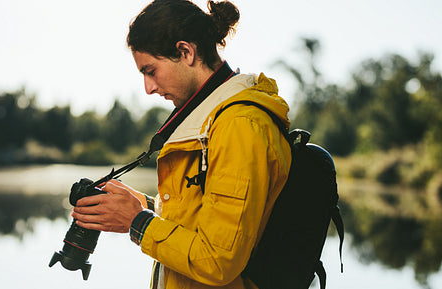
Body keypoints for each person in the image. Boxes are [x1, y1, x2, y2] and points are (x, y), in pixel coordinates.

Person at [71, 0, 292, 288]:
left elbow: (217, 259)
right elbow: (201, 223)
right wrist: (142, 206)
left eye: (150, 71)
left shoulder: (239, 125)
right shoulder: (214, 119)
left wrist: (137, 222)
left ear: (186, 52)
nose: (148, 88)